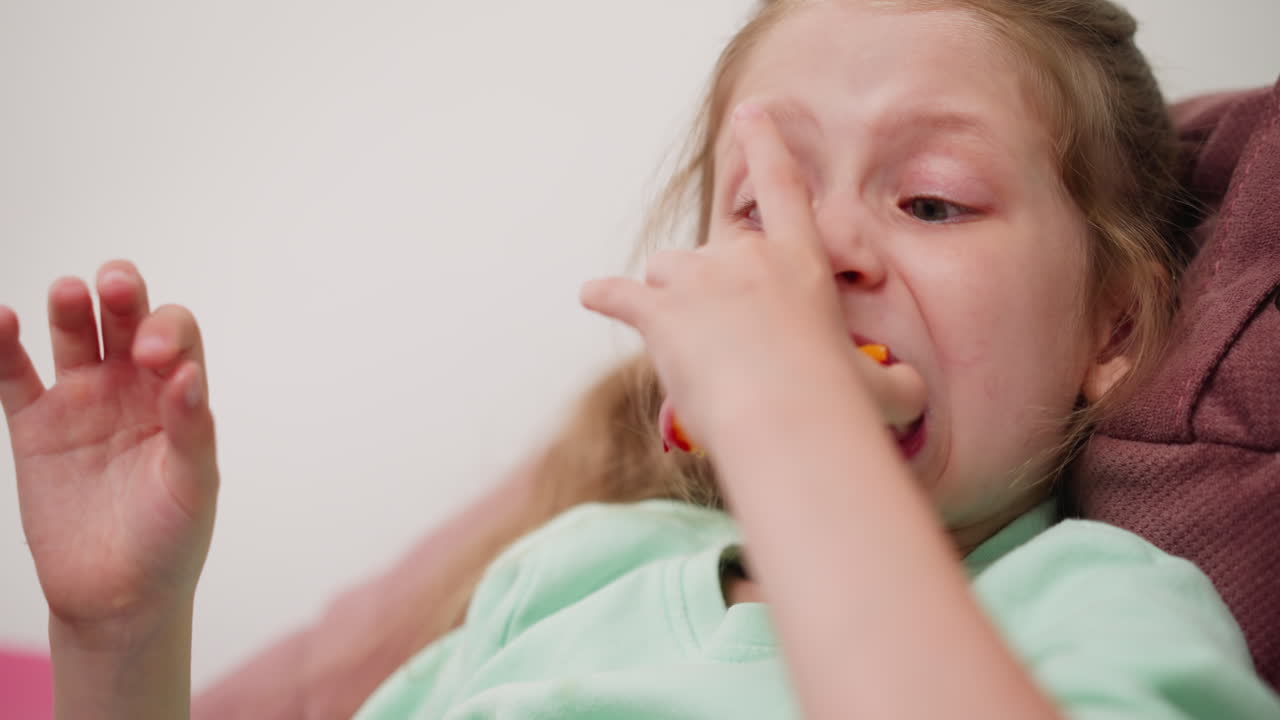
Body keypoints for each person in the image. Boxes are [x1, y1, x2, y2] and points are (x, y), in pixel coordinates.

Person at [3, 0, 1279, 717]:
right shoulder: (564, 577)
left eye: (930, 202)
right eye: (757, 208)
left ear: (1112, 325)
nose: (813, 258)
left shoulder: (1105, 610)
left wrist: (792, 420)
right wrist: (121, 634)